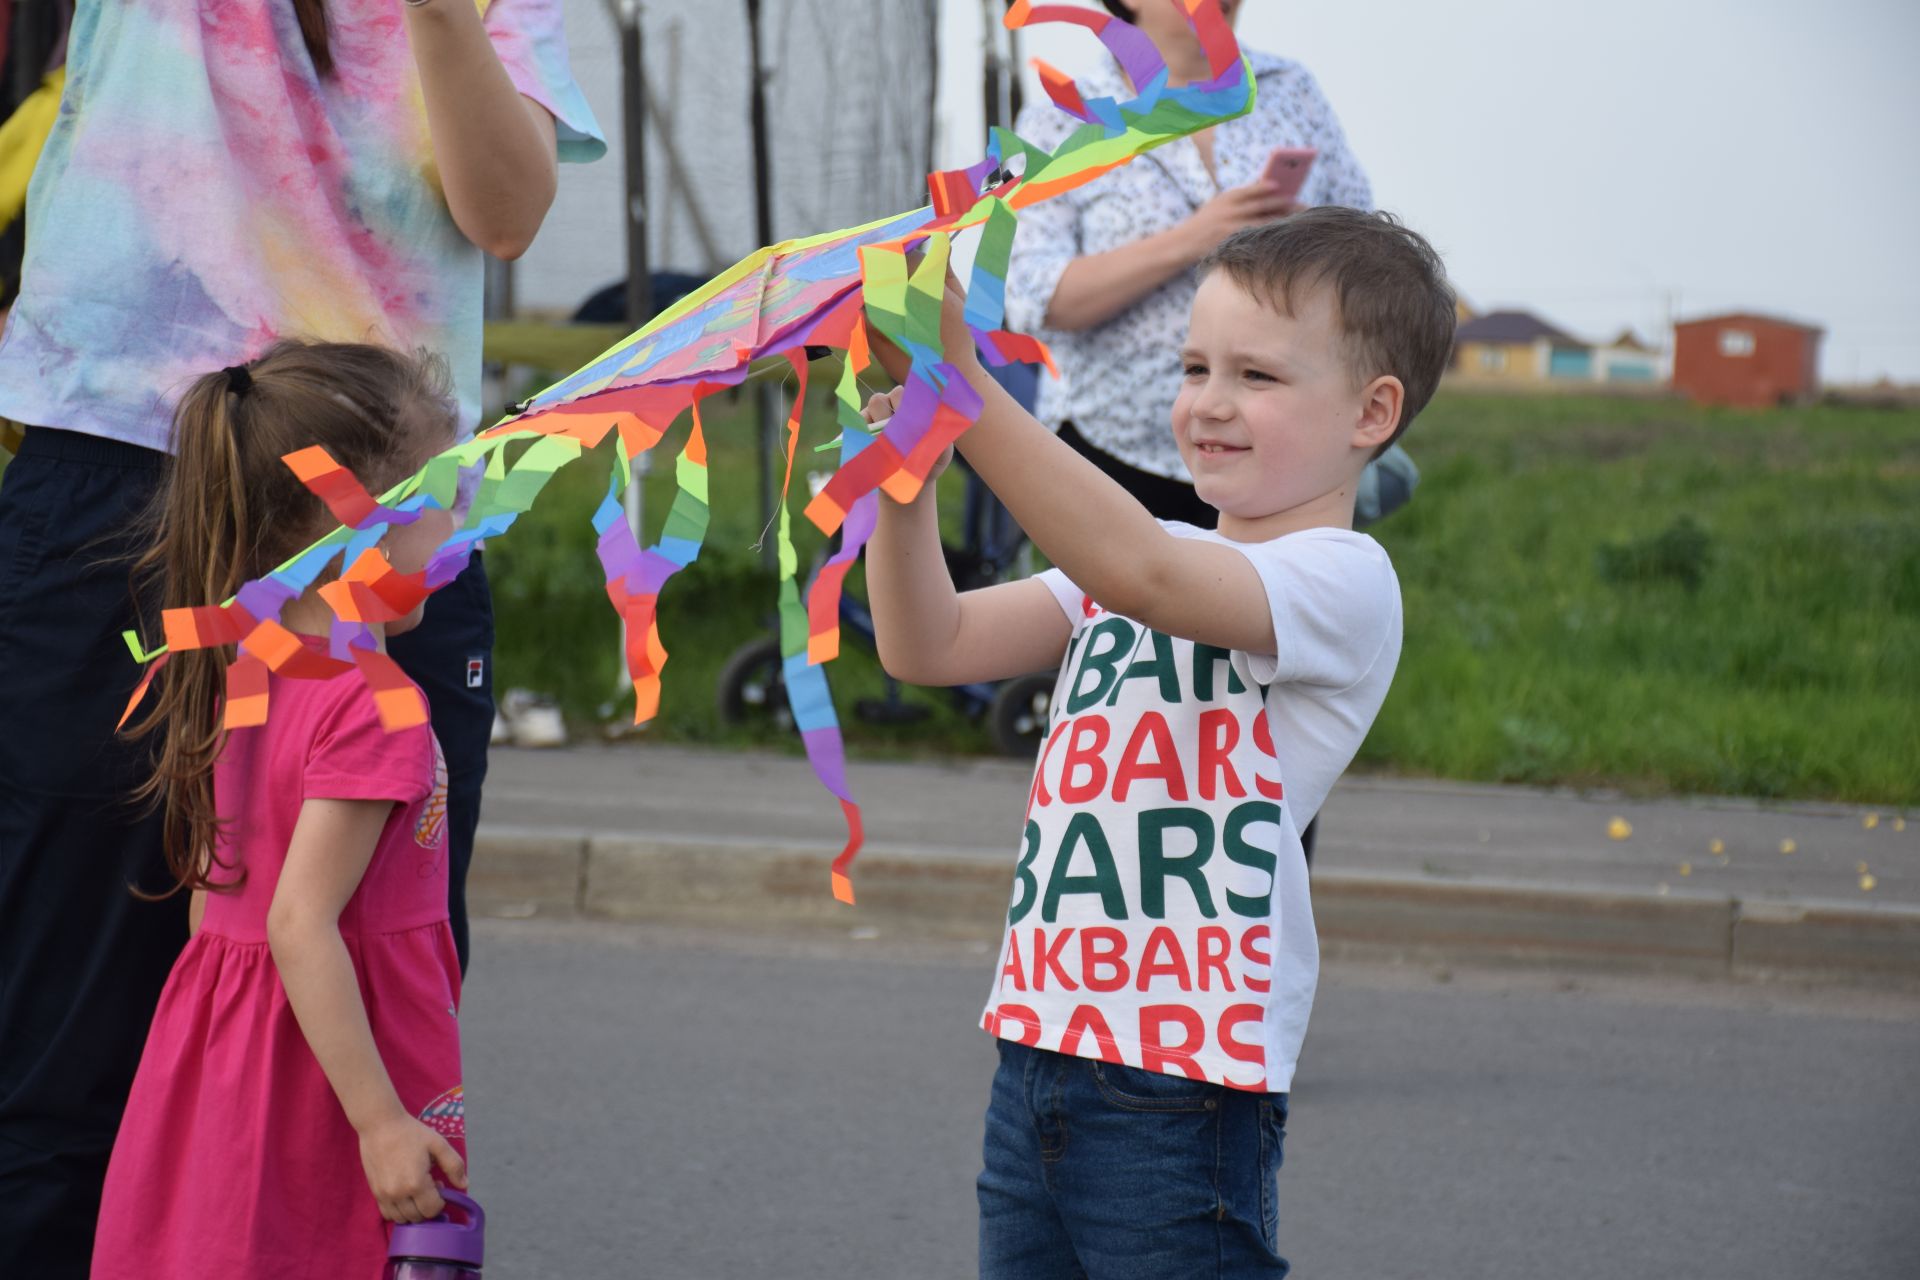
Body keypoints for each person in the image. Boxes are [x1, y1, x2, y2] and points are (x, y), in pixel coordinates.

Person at [0, 2, 600, 1271]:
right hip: (122, 480)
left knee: (370, 993)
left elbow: (506, 213)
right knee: (60, 1035)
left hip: (381, 510)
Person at [865, 206, 1457, 1276]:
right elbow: (930, 641)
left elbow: (1145, 573)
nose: (1209, 403)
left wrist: (961, 376)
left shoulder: (1342, 580)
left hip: (1180, 1081)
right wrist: (899, 476)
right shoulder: (1150, 550)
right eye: (1193, 365)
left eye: (1257, 377)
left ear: (1374, 412)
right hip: (1038, 1046)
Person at [91, 341, 470, 1278]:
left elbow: (217, 891)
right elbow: (301, 924)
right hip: (323, 1074)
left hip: (220, 1047)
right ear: (366, 527)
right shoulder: (375, 701)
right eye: (449, 498)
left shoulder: (246, 666)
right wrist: (380, 1122)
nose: (468, 525)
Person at [1005, 0, 1382, 528]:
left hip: (1278, 456)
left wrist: (1306, 245)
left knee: (1262, 611)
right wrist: (1194, 239)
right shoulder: (1063, 116)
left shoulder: (1290, 89)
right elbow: (1035, 298)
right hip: (1112, 453)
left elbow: (1365, 253)